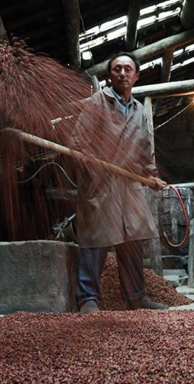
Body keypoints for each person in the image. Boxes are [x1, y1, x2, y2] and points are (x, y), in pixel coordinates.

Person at [71, 52, 169, 313]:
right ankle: (88, 299)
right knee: (96, 241)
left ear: (136, 75)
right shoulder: (97, 102)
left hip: (128, 185)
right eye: (117, 69)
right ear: (109, 75)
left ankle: (137, 299)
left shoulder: (138, 110)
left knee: (132, 241)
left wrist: (151, 174)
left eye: (128, 69)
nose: (122, 73)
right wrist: (87, 158)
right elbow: (78, 141)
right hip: (100, 183)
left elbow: (143, 149)